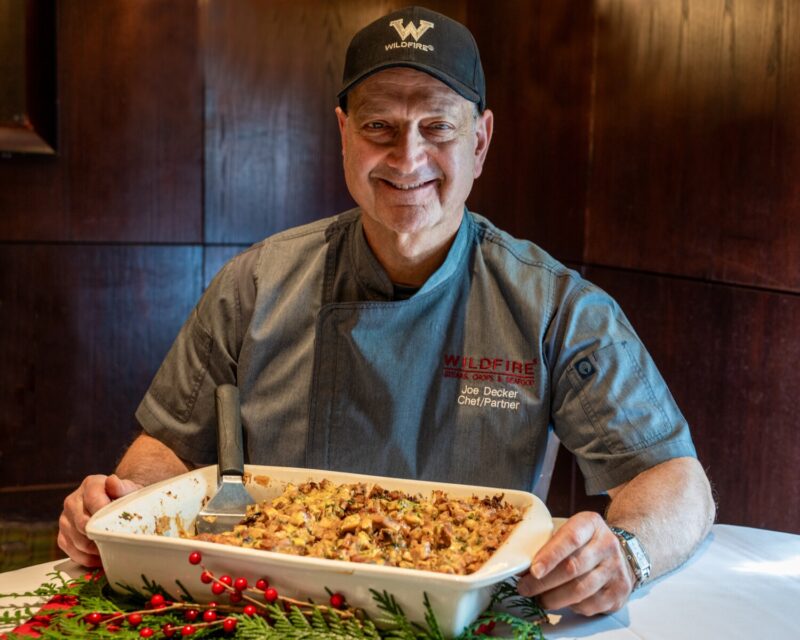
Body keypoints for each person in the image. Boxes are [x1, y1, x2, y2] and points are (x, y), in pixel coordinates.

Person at [59, 6, 714, 616]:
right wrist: (119, 506)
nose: (408, 157)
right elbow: (168, 450)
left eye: (437, 127)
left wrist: (625, 552)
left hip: (468, 618)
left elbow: (676, 480)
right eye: (379, 126)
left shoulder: (556, 307)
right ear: (344, 133)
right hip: (276, 609)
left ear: (480, 142)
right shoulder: (253, 285)